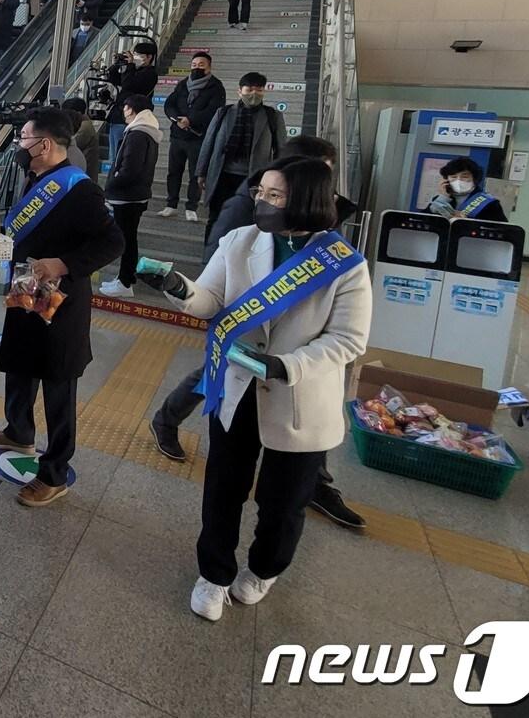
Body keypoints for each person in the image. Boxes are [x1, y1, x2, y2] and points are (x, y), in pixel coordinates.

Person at [138, 158, 371, 621]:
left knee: (284, 502)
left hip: (299, 397)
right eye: (260, 192)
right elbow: (211, 301)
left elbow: (348, 340)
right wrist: (176, 286)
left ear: (305, 200)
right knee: (223, 488)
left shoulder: (344, 265)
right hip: (238, 385)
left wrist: (286, 366)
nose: (259, 202)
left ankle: (264, 569)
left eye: (273, 195)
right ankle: (214, 573)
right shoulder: (240, 241)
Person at [0, 108, 124, 507]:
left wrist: (63, 264)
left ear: (43, 144)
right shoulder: (36, 178)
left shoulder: (80, 191)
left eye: (23, 138)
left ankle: (54, 472)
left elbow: (114, 243)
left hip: (61, 304)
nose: (19, 145)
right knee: (20, 363)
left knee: (58, 384)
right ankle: (19, 430)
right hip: (27, 290)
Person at [197, 72, 285, 241]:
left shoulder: (272, 116)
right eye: (249, 89)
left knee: (247, 221)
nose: (254, 94)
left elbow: (281, 149)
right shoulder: (224, 113)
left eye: (259, 90)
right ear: (240, 91)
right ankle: (211, 254)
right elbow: (208, 144)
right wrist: (201, 172)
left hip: (253, 181)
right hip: (222, 176)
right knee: (215, 218)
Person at [100, 95, 161, 299]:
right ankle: (125, 279)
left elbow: (129, 170)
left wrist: (110, 185)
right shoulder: (147, 132)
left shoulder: (137, 134)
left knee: (126, 239)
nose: (124, 111)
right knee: (129, 238)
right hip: (135, 195)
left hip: (127, 196)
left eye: (125, 107)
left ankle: (125, 282)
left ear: (133, 109)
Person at [160, 51, 226, 222]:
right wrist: (176, 119)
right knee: (174, 172)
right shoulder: (183, 84)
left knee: (195, 174)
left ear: (209, 67)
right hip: (177, 136)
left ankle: (191, 207)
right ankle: (171, 204)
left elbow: (215, 110)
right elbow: (169, 104)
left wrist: (191, 120)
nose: (197, 67)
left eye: (201, 65)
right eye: (194, 65)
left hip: (199, 138)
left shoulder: (216, 86)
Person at [106, 43, 159, 164]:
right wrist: (117, 64)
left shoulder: (150, 73)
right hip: (118, 115)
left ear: (149, 57)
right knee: (113, 156)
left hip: (131, 117)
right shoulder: (134, 70)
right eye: (134, 54)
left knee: (121, 157)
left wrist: (130, 65)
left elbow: (128, 85)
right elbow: (113, 79)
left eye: (138, 55)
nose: (135, 57)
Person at [424, 156, 508, 222]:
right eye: (453, 177)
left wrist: (468, 222)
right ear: (446, 180)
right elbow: (423, 222)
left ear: (475, 179)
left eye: (464, 176)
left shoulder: (489, 203)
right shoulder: (439, 200)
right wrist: (443, 197)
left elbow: (503, 232)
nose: (458, 180)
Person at [63, 97, 101, 180]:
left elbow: (71, 145)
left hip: (84, 174)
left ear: (77, 113)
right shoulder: (85, 124)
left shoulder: (85, 127)